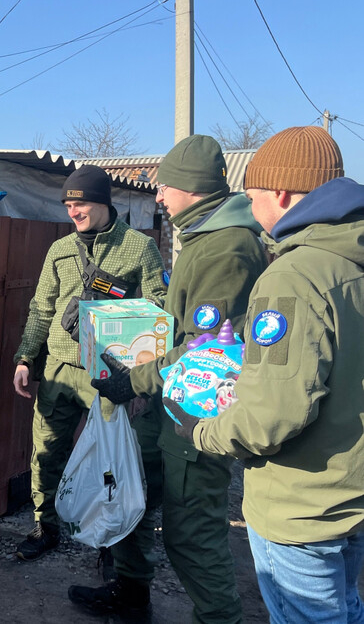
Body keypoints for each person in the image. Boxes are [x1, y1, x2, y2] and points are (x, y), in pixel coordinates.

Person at [164, 127, 363, 623]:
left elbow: (273, 413)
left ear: (280, 193)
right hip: (350, 490)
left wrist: (205, 431)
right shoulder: (349, 261)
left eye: (252, 197)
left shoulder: (296, 276)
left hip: (302, 503)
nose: (250, 211)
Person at [79, 135, 268, 623]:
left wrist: (135, 380)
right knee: (129, 491)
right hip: (171, 404)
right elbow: (184, 323)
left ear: (193, 188)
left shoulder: (227, 249)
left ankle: (219, 617)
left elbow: (209, 348)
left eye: (164, 187)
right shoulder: (204, 238)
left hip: (197, 413)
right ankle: (131, 592)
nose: (157, 196)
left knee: (191, 538)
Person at [12, 164, 166, 565]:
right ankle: (45, 526)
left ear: (101, 201)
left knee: (114, 457)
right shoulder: (60, 250)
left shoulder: (139, 247)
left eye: (79, 203)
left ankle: (112, 537)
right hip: (60, 367)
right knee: (46, 450)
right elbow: (41, 308)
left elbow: (158, 306)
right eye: (67, 205)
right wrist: (26, 357)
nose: (72, 212)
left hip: (112, 374)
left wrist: (140, 378)